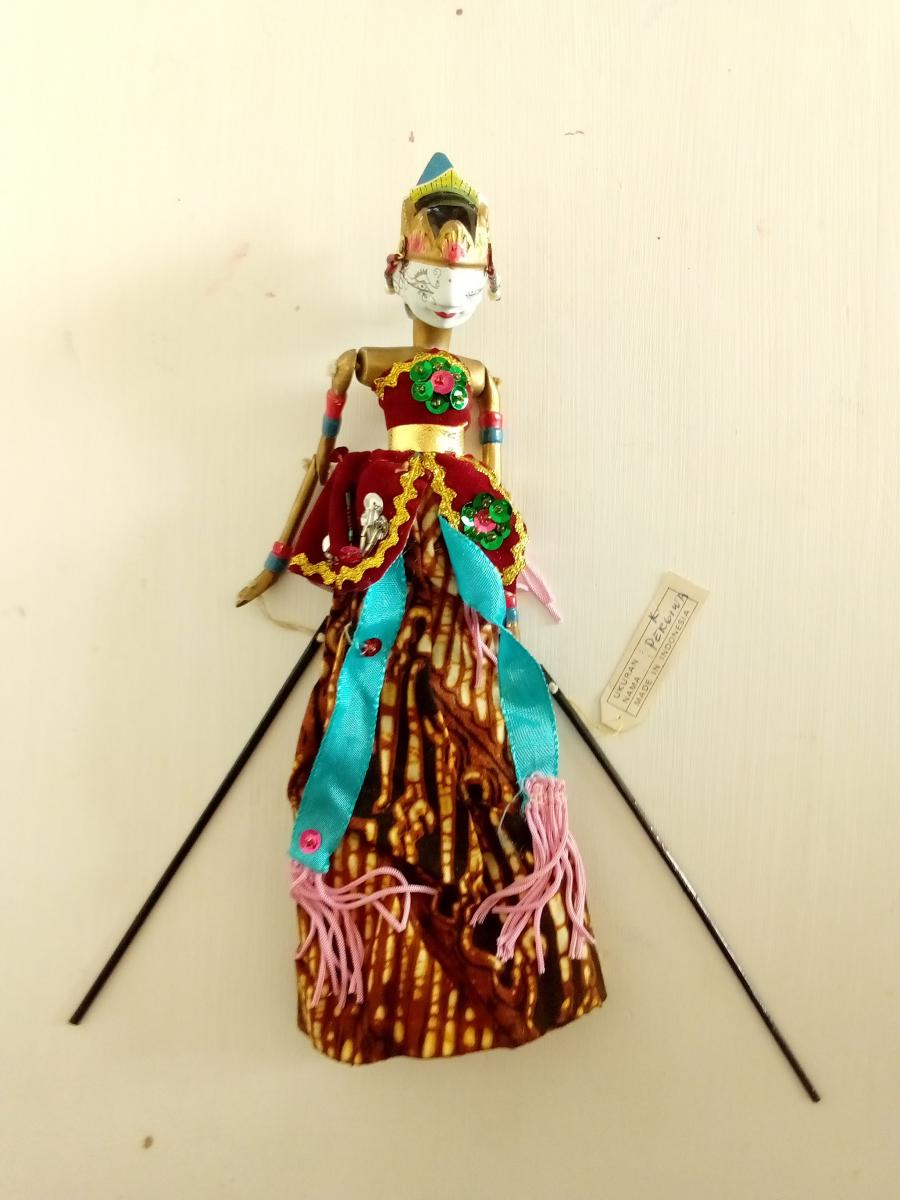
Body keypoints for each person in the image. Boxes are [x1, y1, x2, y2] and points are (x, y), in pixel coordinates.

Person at [238, 153, 605, 1064]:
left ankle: (507, 937)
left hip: (459, 553)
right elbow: (320, 463)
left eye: (465, 272)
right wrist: (279, 558)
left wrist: (504, 587)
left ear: (489, 280)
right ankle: (374, 939)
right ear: (396, 269)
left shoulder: (482, 376)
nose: (448, 289)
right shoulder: (363, 363)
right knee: (363, 701)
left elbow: (495, 480)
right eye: (431, 268)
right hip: (380, 535)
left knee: (479, 724)